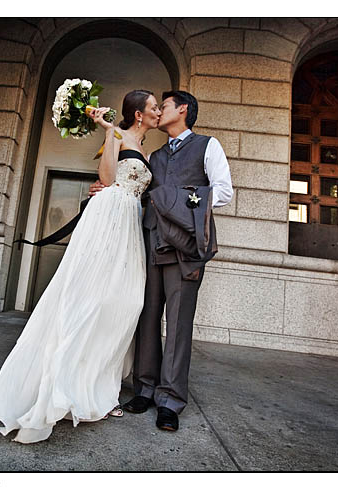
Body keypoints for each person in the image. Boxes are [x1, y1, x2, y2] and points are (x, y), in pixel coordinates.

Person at [0, 90, 161, 444]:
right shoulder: (120, 136)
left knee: (126, 305)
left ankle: (99, 387)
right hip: (109, 215)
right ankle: (67, 386)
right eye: (154, 108)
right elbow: (108, 179)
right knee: (92, 301)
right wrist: (108, 131)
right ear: (138, 114)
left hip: (131, 225)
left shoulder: (148, 151)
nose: (158, 112)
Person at [89, 90, 233, 432]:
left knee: (179, 325)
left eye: (163, 105)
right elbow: (138, 193)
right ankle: (145, 388)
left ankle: (170, 400)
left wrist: (176, 202)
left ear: (181, 110)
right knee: (147, 318)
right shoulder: (152, 153)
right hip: (151, 244)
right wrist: (105, 191)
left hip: (185, 249)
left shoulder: (208, 146)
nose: (158, 111)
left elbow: (223, 192)